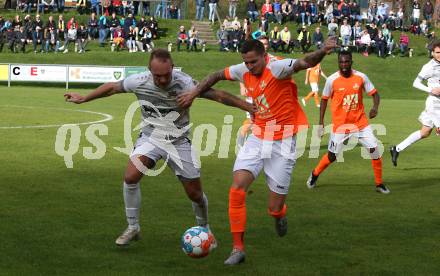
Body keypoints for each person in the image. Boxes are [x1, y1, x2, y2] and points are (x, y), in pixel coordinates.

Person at [64, 49, 255, 248]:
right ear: (149, 70)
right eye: (158, 75)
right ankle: (133, 227)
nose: (163, 80)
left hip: (179, 141)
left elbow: (218, 95)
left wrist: (246, 106)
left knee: (195, 194)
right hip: (151, 137)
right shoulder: (139, 81)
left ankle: (205, 229)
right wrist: (85, 98)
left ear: (172, 68)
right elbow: (112, 87)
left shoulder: (185, 83)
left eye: (166, 75)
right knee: (130, 177)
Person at [176, 37, 337, 265]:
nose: (249, 67)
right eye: (246, 62)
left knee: (274, 207)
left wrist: (323, 50)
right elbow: (215, 75)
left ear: (264, 56)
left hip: (283, 142)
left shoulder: (278, 67)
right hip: (258, 136)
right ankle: (238, 249)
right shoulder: (244, 69)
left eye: (253, 62)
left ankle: (279, 215)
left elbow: (304, 62)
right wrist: (193, 93)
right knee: (237, 189)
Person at [306, 50, 390, 195]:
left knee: (375, 151)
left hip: (360, 123)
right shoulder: (332, 80)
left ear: (351, 62)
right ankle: (314, 174)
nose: (344, 65)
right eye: (341, 62)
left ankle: (379, 183)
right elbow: (324, 99)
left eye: (347, 62)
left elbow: (375, 94)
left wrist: (375, 108)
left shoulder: (361, 77)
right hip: (341, 126)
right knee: (332, 156)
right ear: (338, 62)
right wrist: (321, 122)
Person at [390, 41, 440, 166]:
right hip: (434, 104)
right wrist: (431, 89)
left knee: (425, 132)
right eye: (438, 52)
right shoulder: (429, 67)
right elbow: (415, 83)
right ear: (432, 53)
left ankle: (397, 149)